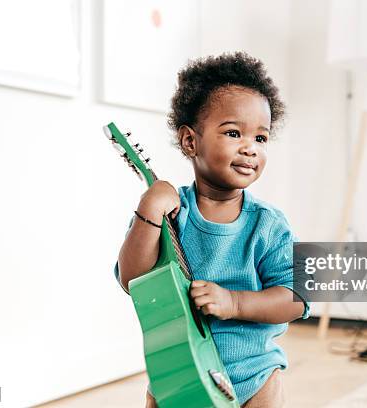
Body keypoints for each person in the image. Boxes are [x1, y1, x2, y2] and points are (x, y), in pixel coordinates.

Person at [114, 52, 310, 408]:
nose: (250, 147)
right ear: (191, 142)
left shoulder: (268, 224)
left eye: (261, 138)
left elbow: (297, 298)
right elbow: (132, 280)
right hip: (177, 370)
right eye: (234, 133)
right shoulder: (169, 214)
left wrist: (234, 301)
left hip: (255, 374)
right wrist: (149, 210)